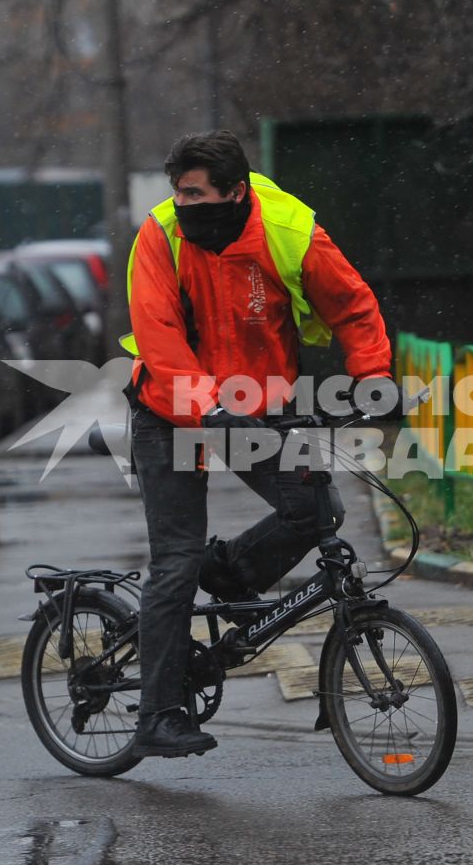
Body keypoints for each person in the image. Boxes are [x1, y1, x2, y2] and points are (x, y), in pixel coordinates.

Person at [121, 130, 392, 758]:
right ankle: (158, 714)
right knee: (176, 560)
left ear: (235, 191)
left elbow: (352, 306)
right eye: (178, 192)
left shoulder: (289, 229)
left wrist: (374, 377)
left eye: (195, 193)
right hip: (170, 412)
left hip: (259, 404)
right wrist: (207, 409)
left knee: (316, 511)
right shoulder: (160, 236)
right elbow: (157, 334)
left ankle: (232, 571)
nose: (182, 204)